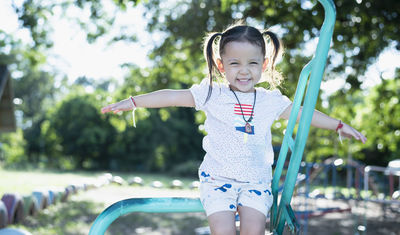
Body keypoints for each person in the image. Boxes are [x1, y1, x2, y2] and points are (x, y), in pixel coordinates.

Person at [101, 22, 366, 235]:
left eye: (252, 63)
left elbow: (303, 114)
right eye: (235, 63)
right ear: (221, 66)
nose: (244, 71)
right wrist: (134, 102)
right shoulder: (211, 94)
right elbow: (171, 96)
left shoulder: (269, 100)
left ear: (263, 65)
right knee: (223, 230)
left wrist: (338, 125)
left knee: (254, 230)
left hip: (255, 182)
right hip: (218, 180)